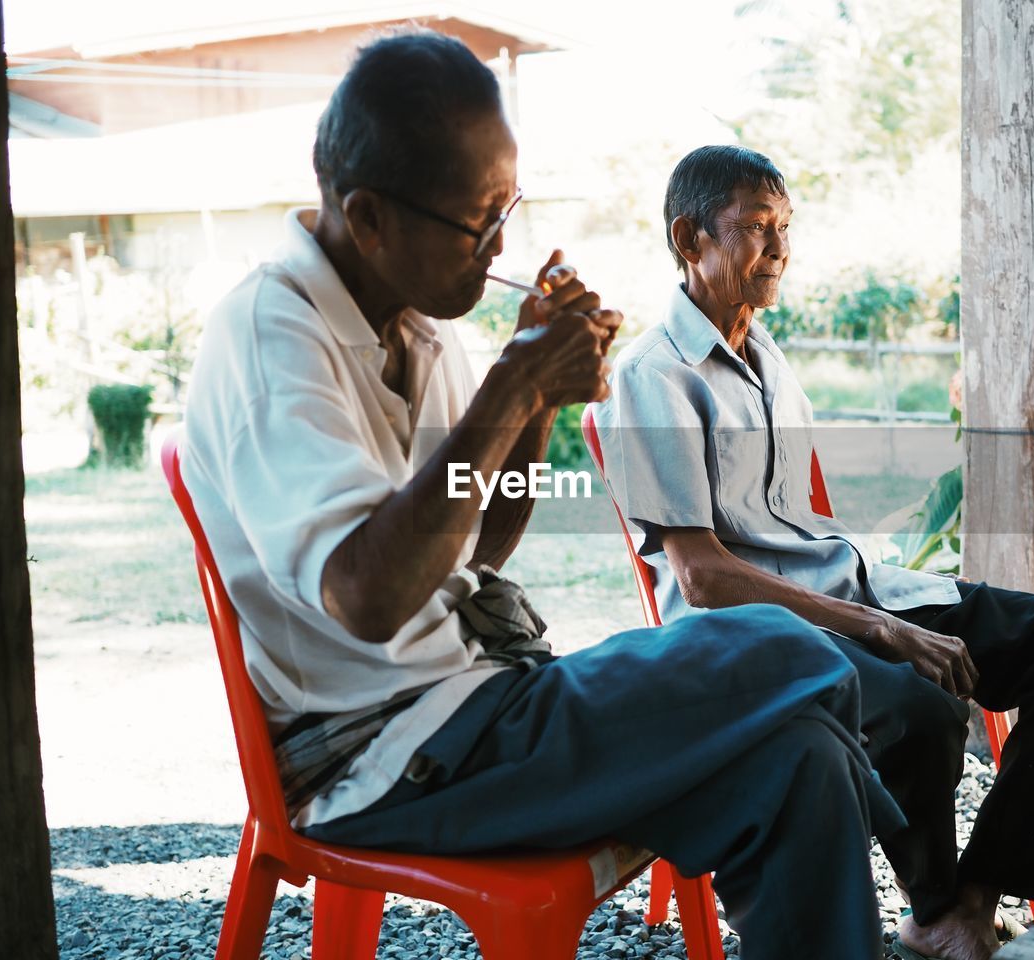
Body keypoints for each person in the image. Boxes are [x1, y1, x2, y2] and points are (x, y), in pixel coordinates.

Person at [182, 30, 906, 960]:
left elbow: (480, 547)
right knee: (775, 647)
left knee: (799, 762)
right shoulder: (271, 337)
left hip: (481, 702)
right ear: (368, 219)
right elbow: (369, 599)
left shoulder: (419, 328)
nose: (500, 247)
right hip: (384, 755)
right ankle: (909, 840)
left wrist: (535, 409)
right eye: (479, 222)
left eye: (507, 211)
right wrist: (510, 389)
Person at [593, 144, 1034, 960]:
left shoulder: (767, 357)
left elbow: (797, 524)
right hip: (750, 630)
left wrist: (883, 612)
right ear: (689, 238)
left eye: (784, 228)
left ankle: (967, 903)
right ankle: (937, 905)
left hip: (848, 585)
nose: (778, 248)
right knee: (919, 704)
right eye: (754, 228)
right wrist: (878, 631)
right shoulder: (652, 376)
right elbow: (701, 577)